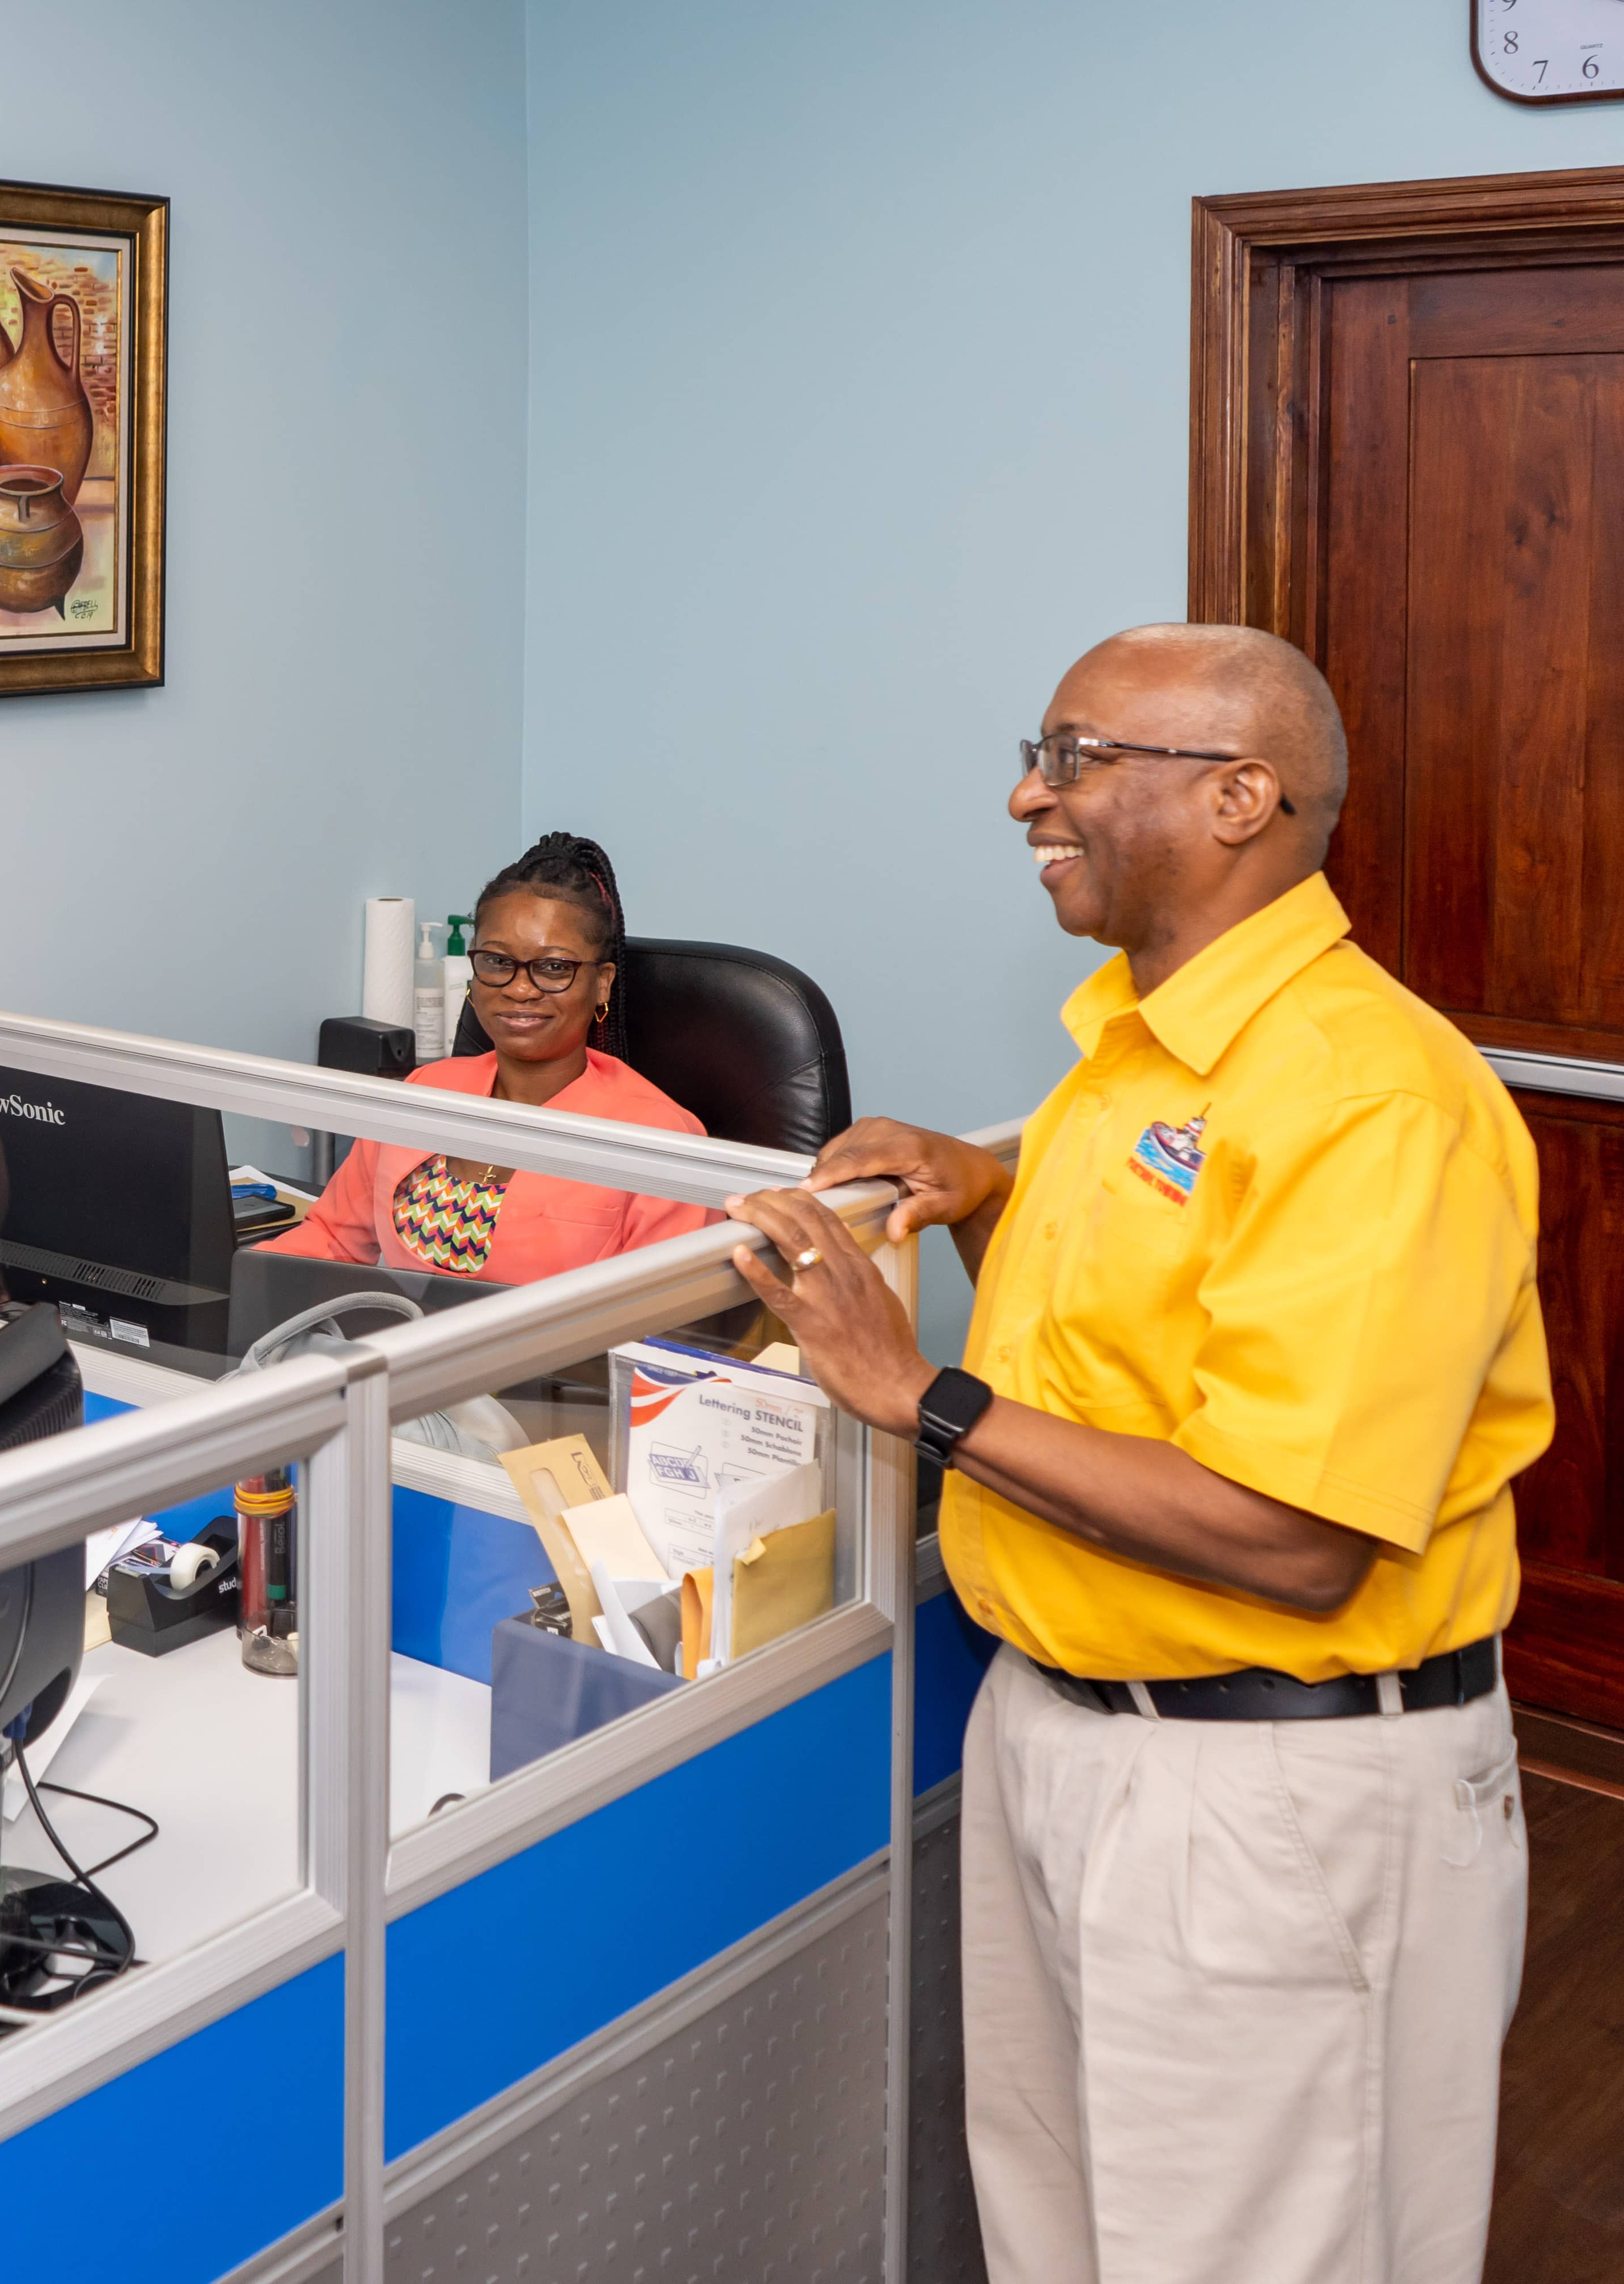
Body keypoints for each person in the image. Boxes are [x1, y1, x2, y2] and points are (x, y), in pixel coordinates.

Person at [723, 624, 1547, 2284]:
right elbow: (1153, 1329)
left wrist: (916, 1396)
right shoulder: (1138, 1045)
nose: (1029, 792)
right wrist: (987, 1187)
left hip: (1271, 1786)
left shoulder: (1369, 1099)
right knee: (1059, 2229)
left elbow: (1290, 1532)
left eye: (1077, 753)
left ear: (1238, 796)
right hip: (1064, 1723)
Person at [262, 832, 716, 1281]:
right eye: (498, 962)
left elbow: (662, 1325)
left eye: (554, 967)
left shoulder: (662, 1140)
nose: (520, 989)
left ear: (601, 983)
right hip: (403, 1346)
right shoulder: (426, 1091)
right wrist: (244, 1290)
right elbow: (332, 1240)